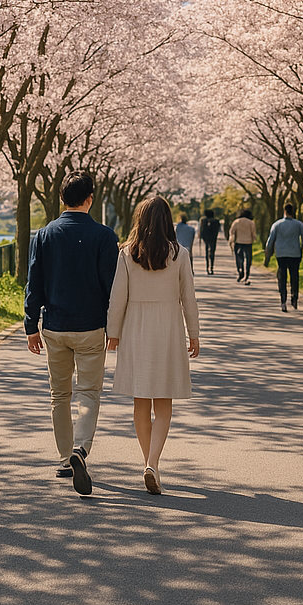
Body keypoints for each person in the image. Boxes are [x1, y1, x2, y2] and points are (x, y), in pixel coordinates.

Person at [25, 170, 119, 496]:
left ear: (61, 199)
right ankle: (81, 448)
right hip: (92, 327)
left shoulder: (45, 235)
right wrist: (115, 326)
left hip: (54, 327)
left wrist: (29, 326)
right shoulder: (106, 236)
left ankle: (66, 458)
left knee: (58, 395)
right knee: (89, 393)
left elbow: (33, 284)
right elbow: (112, 289)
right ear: (90, 199)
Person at [107, 196, 200, 495]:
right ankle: (153, 463)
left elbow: (117, 298)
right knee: (164, 403)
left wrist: (113, 333)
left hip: (135, 329)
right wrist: (194, 333)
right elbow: (189, 298)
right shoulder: (180, 254)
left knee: (140, 402)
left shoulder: (126, 255)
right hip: (169, 330)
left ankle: (150, 463)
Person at [264, 203, 303, 312]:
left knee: (282, 276)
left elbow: (270, 241)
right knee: (294, 275)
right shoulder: (299, 224)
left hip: (281, 254)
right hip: (295, 253)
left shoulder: (277, 224)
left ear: (284, 211)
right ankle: (294, 298)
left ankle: (283, 300)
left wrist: (268, 255)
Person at [228, 208, 258, 284]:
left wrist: (232, 241)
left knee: (239, 258)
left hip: (239, 242)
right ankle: (247, 274)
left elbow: (232, 232)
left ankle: (240, 270)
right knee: (248, 259)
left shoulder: (236, 222)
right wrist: (254, 239)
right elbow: (253, 234)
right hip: (248, 242)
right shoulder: (251, 222)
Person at [199, 209, 223, 275]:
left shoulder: (203, 220)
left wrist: (200, 236)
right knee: (212, 252)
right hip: (213, 237)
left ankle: (207, 267)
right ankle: (211, 267)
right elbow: (218, 229)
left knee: (207, 251)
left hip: (206, 237)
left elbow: (201, 229)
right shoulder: (216, 221)